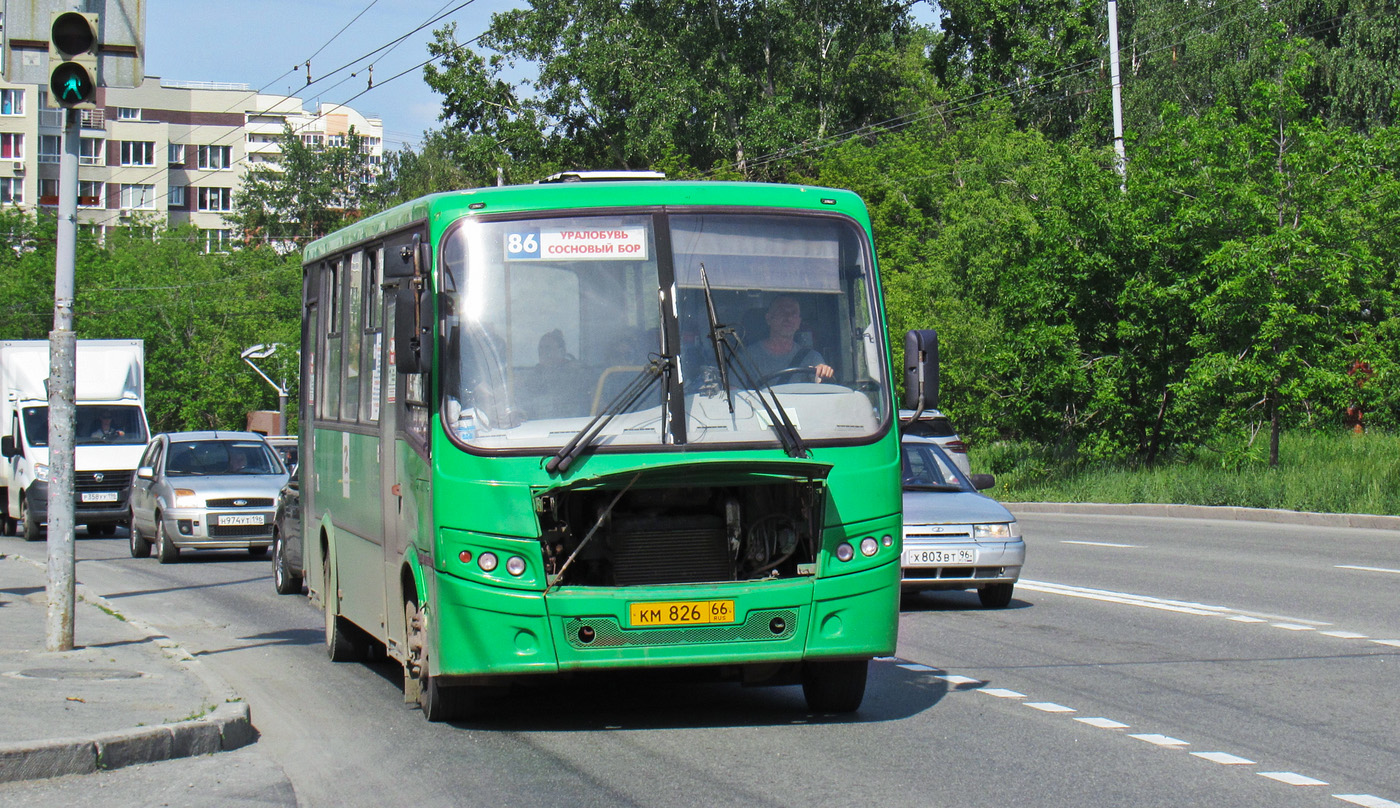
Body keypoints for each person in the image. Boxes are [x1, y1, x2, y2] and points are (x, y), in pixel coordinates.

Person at [740, 296, 834, 383]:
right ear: (769, 319)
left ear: (799, 322)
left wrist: (823, 372)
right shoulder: (746, 358)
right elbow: (733, 392)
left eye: (793, 313)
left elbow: (824, 391)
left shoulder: (812, 358)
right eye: (782, 312)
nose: (788, 317)